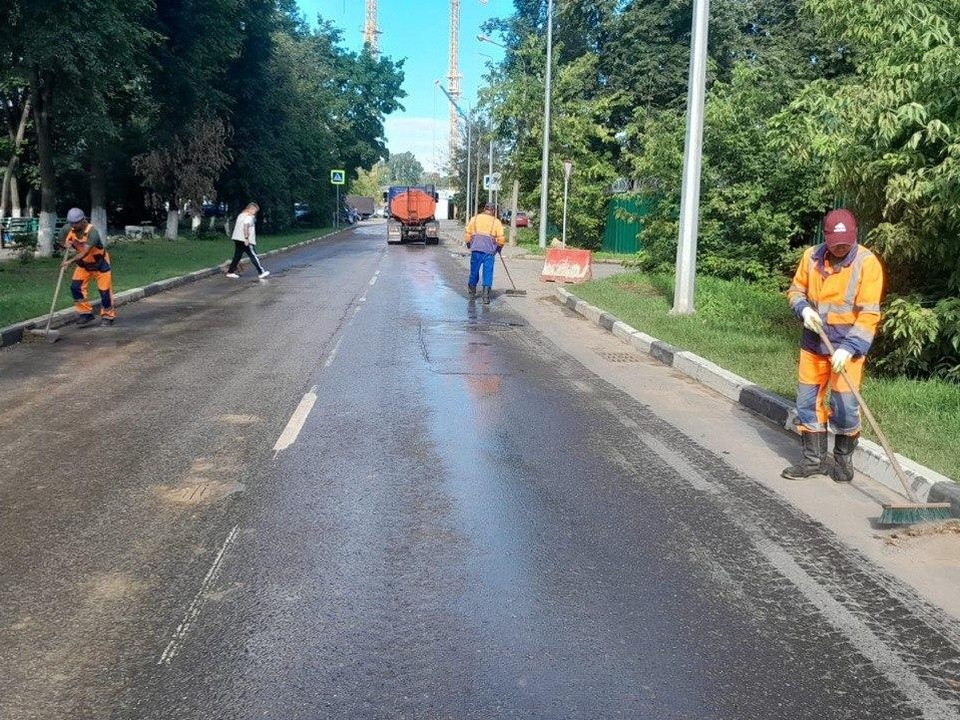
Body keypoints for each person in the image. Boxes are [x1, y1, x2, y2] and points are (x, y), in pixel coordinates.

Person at [782, 209, 884, 483]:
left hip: (846, 349)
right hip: (814, 344)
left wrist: (849, 347)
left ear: (854, 237)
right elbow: (795, 290)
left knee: (845, 404)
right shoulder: (811, 257)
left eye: (846, 242)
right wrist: (803, 310)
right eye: (836, 241)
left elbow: (869, 313)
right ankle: (813, 461)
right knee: (807, 402)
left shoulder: (867, 263)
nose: (841, 247)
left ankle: (842, 460)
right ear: (826, 237)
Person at [59, 208, 115, 326]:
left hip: (100, 264)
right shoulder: (67, 228)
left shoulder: (92, 232)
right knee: (76, 287)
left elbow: (85, 252)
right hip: (83, 264)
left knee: (104, 292)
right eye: (71, 223)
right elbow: (61, 242)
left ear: (83, 220)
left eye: (76, 223)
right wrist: (65, 245)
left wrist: (69, 262)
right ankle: (85, 313)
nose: (73, 226)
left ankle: (108, 316)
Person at [464, 202, 505, 305]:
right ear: (493, 211)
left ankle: (472, 292)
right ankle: (486, 297)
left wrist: (469, 244)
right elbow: (501, 238)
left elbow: (468, 233)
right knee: (488, 272)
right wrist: (499, 248)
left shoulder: (475, 219)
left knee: (474, 271)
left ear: (484, 209)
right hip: (489, 251)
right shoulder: (496, 222)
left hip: (476, 249)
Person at [226, 203, 269, 279]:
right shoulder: (249, 216)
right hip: (245, 239)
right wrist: (246, 238)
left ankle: (230, 272)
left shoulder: (241, 215)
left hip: (237, 238)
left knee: (237, 256)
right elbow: (245, 226)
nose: (255, 212)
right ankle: (261, 272)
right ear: (251, 209)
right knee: (253, 256)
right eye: (255, 210)